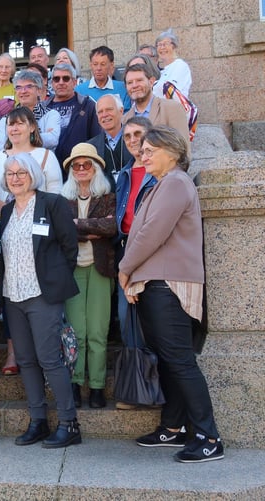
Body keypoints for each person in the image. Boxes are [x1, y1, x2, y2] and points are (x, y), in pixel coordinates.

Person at [118, 126, 224, 463]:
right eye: (142, 150)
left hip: (169, 285)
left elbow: (152, 233)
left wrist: (125, 267)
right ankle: (174, 427)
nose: (143, 154)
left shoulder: (176, 182)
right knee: (170, 359)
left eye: (151, 149)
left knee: (179, 360)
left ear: (173, 153)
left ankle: (209, 437)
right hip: (157, 284)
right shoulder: (163, 185)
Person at [0, 152, 81, 449]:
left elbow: (69, 247)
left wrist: (54, 280)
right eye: (10, 174)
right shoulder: (6, 211)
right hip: (13, 296)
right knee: (25, 360)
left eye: (21, 172)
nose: (16, 178)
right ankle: (38, 421)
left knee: (49, 359)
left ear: (33, 174)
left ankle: (69, 423)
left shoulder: (52, 203)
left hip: (43, 295)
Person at [60, 143, 117, 409]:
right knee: (76, 332)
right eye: (77, 165)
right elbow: (61, 232)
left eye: (87, 165)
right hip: (72, 270)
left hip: (100, 269)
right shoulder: (63, 200)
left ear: (95, 169)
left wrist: (79, 227)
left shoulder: (107, 197)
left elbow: (110, 227)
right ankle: (74, 383)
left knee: (97, 331)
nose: (81, 169)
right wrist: (91, 230)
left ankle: (96, 387)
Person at [115, 116, 156, 359]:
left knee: (151, 321)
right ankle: (139, 384)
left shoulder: (160, 174)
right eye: (127, 136)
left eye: (137, 134)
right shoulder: (124, 173)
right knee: (125, 318)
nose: (132, 140)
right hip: (126, 250)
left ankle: (157, 386)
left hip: (151, 253)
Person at [0, 107, 63, 206]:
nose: (14, 129)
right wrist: (2, 208)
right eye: (11, 124)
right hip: (1, 218)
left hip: (37, 218)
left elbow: (55, 195)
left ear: (32, 127)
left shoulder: (47, 156)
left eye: (20, 124)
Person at [44, 63, 102, 168]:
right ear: (52, 83)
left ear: (74, 82)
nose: (61, 82)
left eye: (66, 78)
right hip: (49, 167)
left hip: (80, 167)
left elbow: (97, 140)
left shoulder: (88, 106)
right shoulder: (42, 109)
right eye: (56, 79)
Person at [0, 70, 61, 152]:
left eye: (29, 86)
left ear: (39, 91)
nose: (23, 91)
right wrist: (37, 137)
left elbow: (52, 140)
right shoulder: (6, 119)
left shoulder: (50, 114)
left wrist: (14, 139)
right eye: (19, 87)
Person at [122, 64, 189, 146]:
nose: (134, 85)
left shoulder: (172, 108)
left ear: (151, 82)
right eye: (130, 83)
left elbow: (184, 148)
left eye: (139, 80)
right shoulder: (124, 120)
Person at [87, 94, 131, 188]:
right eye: (100, 112)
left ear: (121, 111)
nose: (104, 115)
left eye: (109, 109)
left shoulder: (136, 140)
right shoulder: (91, 147)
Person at [75, 46, 131, 110]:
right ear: (91, 65)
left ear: (111, 65)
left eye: (103, 64)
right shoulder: (79, 90)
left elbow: (126, 115)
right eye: (95, 64)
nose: (98, 68)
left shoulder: (123, 88)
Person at [153, 29, 192, 98]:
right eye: (159, 45)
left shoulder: (180, 65)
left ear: (174, 46)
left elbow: (170, 91)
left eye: (165, 44)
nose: (162, 47)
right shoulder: (161, 72)